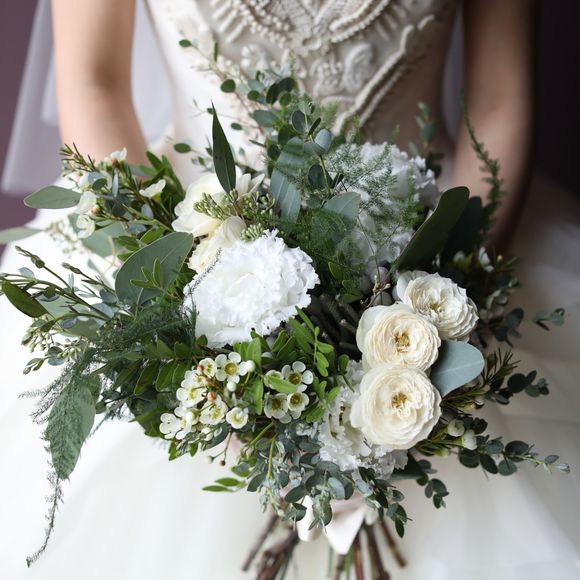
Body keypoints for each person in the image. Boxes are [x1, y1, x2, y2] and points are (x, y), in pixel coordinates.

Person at [0, 1, 578, 578]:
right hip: (190, 253)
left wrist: (429, 327)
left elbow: (500, 99)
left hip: (433, 255)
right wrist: (185, 330)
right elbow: (94, 82)